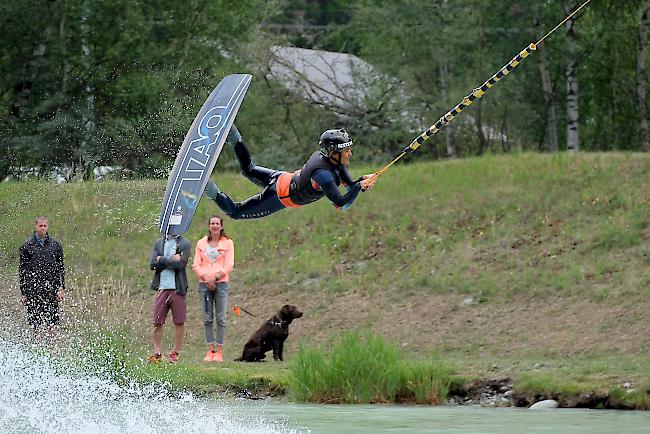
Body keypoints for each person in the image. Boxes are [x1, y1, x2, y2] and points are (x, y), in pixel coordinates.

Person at [204, 126, 377, 219]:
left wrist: (361, 181)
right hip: (278, 196)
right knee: (236, 212)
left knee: (249, 169)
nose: (350, 154)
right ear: (334, 152)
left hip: (281, 178)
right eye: (347, 150)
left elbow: (348, 184)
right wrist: (358, 187)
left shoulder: (331, 160)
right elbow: (341, 204)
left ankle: (233, 135)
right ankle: (208, 187)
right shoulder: (322, 174)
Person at [192, 215, 235, 362]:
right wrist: (205, 278)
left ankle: (219, 351)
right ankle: (210, 349)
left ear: (221, 226)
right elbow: (196, 264)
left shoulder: (228, 243)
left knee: (221, 317)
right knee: (207, 317)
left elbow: (229, 265)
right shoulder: (201, 243)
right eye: (212, 223)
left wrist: (215, 278)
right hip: (204, 284)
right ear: (209, 226)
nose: (215, 226)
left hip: (221, 283)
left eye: (217, 223)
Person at [18, 216, 65, 341]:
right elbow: (22, 271)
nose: (43, 228)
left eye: (45, 226)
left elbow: (61, 268)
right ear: (36, 226)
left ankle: (52, 350)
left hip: (51, 289)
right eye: (40, 226)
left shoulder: (55, 245)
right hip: (33, 289)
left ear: (48, 226)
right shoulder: (27, 246)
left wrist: (61, 288)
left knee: (53, 323)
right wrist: (24, 293)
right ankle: (37, 348)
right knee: (36, 323)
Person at [147, 232, 192, 363]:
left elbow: (181, 265)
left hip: (177, 288)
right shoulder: (159, 243)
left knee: (179, 321)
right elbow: (153, 264)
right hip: (162, 288)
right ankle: (157, 352)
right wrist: (171, 260)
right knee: (157, 321)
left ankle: (175, 352)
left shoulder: (184, 243)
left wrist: (162, 259)